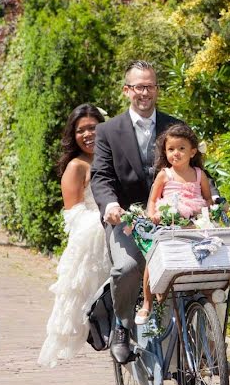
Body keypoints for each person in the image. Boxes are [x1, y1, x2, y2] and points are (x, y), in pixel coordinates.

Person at [90, 61, 182, 363]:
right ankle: (122, 325)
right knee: (128, 267)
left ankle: (199, 350)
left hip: (169, 217)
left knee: (194, 273)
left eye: (151, 86)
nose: (146, 92)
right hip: (127, 218)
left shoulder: (174, 126)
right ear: (127, 90)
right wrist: (110, 205)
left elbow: (194, 169)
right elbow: (101, 176)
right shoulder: (108, 131)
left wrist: (214, 198)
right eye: (139, 87)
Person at [37, 104, 110, 368]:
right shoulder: (76, 167)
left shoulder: (110, 157)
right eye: (81, 130)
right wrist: (103, 220)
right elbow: (74, 213)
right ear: (74, 135)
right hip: (95, 231)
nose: (88, 134)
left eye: (93, 127)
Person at [136, 124, 212, 323]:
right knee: (153, 256)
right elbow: (153, 199)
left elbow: (207, 199)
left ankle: (205, 295)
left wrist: (211, 214)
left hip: (193, 223)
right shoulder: (165, 174)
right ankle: (147, 302)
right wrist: (152, 214)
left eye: (181, 148)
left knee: (206, 253)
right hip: (168, 220)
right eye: (171, 149)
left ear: (192, 151)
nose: (175, 153)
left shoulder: (198, 174)